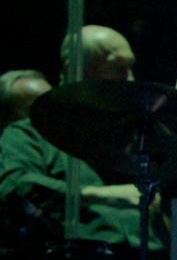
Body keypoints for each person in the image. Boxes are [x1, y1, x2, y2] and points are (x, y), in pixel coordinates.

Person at [0, 26, 151, 246]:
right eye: (118, 68)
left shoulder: (134, 137)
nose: (130, 80)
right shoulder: (29, 135)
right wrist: (100, 194)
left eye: (130, 68)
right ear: (77, 70)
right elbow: (14, 184)